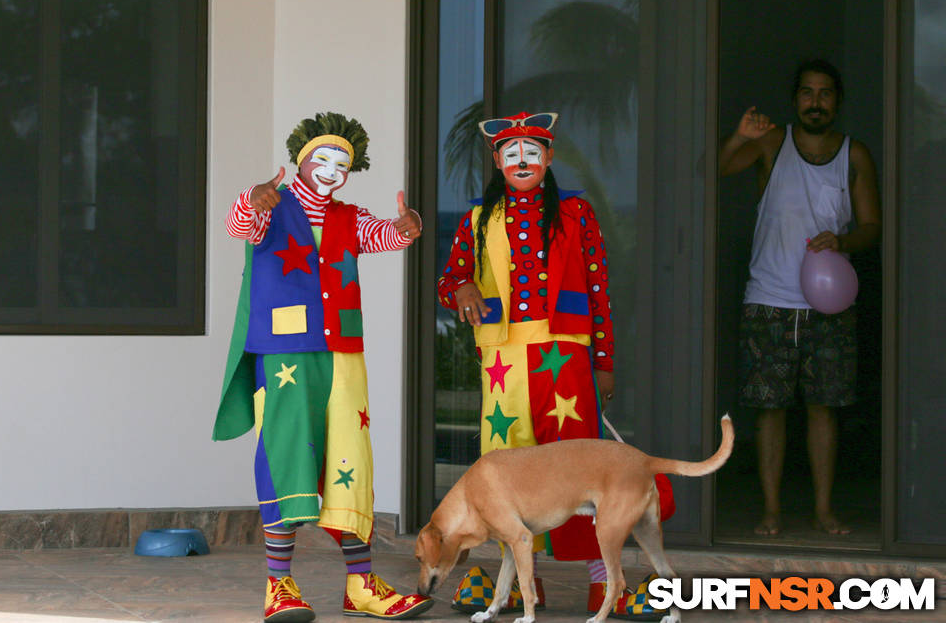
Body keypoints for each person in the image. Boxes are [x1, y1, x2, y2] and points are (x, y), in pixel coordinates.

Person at [437, 111, 672, 620]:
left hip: (564, 354)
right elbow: (450, 278)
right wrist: (462, 287)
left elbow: (598, 291)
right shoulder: (477, 219)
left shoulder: (576, 212)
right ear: (498, 162)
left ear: (548, 158)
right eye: (511, 153)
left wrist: (604, 362)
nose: (522, 160)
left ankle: (600, 584)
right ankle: (526, 586)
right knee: (506, 475)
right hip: (503, 358)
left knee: (580, 470)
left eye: (532, 151)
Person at [212, 112, 432, 621]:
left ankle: (361, 583)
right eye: (323, 159)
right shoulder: (273, 207)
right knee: (286, 454)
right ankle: (279, 585)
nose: (332, 170)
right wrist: (251, 198)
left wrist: (407, 227)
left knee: (351, 459)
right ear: (302, 161)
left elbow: (384, 236)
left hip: (343, 354)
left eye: (342, 163)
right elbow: (239, 225)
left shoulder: (349, 217)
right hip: (285, 354)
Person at [719, 59, 881, 536]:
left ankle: (823, 510)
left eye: (825, 93)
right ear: (796, 100)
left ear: (838, 101)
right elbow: (721, 168)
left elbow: (871, 227)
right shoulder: (773, 142)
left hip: (829, 304)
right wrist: (740, 136)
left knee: (823, 407)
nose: (816, 101)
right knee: (769, 409)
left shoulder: (855, 155)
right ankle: (771, 510)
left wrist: (843, 241)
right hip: (768, 298)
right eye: (807, 93)